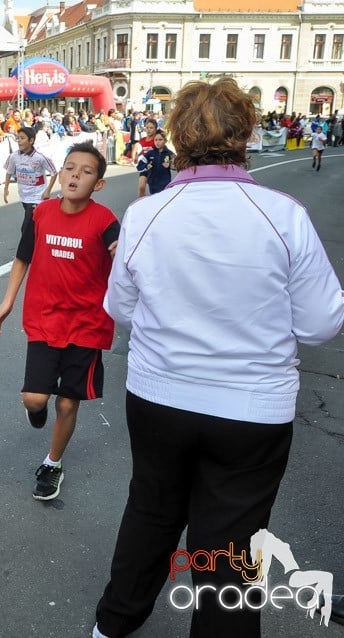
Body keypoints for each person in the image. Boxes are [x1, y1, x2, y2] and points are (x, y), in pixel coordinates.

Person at [93, 78, 344, 638]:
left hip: (161, 395)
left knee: (151, 513)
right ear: (248, 134)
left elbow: (122, 309)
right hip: (251, 408)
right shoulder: (284, 216)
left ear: (177, 137)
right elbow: (323, 322)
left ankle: (112, 625)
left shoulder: (147, 214)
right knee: (230, 546)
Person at [0, 141, 119, 501]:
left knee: (67, 403)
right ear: (60, 173)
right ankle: (37, 409)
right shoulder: (41, 213)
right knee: (33, 399)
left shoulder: (105, 220)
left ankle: (52, 463)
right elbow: (22, 258)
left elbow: (120, 254)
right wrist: (8, 300)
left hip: (88, 324)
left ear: (99, 184)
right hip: (44, 319)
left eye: (86, 171)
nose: (75, 175)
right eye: (70, 167)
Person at [3, 127, 57, 233]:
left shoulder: (40, 157)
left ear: (31, 141)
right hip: (24, 195)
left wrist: (48, 191)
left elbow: (54, 172)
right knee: (33, 225)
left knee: (26, 228)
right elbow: (9, 171)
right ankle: (41, 241)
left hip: (38, 197)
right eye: (18, 138)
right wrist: (6, 188)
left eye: (22, 138)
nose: (19, 141)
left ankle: (26, 249)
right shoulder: (13, 156)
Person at [136, 129, 175, 194]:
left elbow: (179, 166)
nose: (157, 142)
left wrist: (170, 165)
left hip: (165, 184)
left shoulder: (170, 153)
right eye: (155, 140)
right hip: (153, 185)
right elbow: (139, 166)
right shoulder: (150, 153)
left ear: (165, 141)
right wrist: (146, 166)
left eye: (160, 140)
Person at [134, 118, 159, 197]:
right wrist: (136, 156)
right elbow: (139, 151)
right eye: (147, 127)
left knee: (155, 191)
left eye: (151, 128)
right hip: (145, 166)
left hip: (155, 167)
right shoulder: (142, 140)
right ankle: (141, 205)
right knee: (141, 187)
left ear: (155, 129)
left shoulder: (157, 140)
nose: (149, 130)